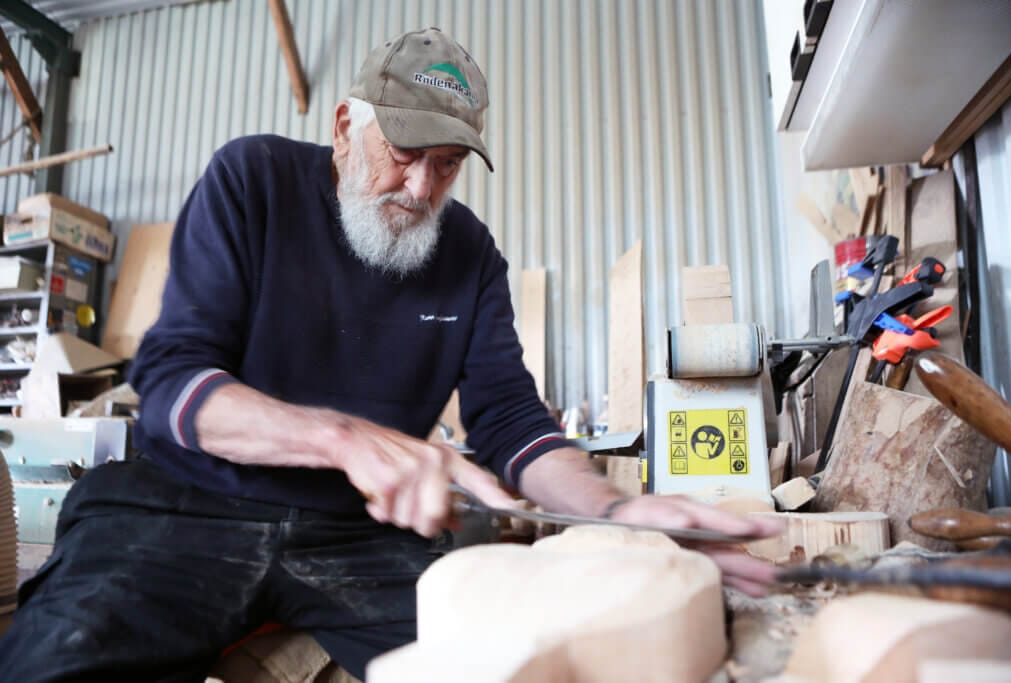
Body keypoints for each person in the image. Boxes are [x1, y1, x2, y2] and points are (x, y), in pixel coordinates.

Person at [0, 28, 780, 682]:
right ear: (345, 125)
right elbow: (173, 380)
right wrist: (344, 438)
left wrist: (617, 512)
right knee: (55, 658)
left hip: (355, 535)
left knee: (515, 659)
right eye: (404, 149)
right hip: (186, 506)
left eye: (446, 163)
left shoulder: (470, 255)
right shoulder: (253, 180)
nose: (419, 184)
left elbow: (511, 418)